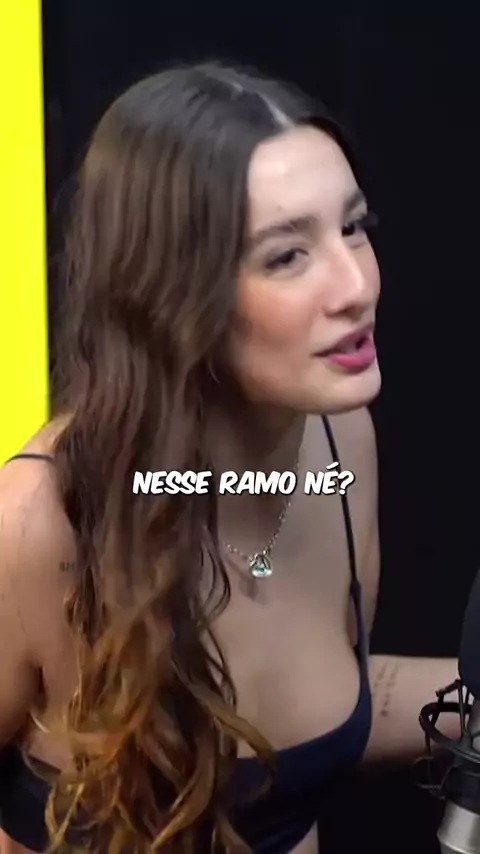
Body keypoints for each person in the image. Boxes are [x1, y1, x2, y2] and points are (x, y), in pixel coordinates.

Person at [0, 61, 458, 854]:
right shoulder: (41, 525)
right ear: (170, 294)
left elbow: (307, 722)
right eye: (287, 256)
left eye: (354, 227)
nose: (357, 284)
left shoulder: (341, 445)